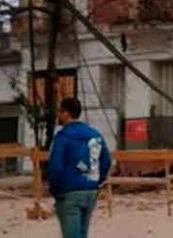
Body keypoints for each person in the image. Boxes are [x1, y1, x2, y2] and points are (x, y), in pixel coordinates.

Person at [47, 97, 111, 238]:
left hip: (69, 192)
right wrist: (97, 181)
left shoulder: (62, 137)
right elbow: (106, 161)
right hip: (90, 190)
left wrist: (54, 189)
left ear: (66, 113)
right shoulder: (95, 134)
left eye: (60, 111)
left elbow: (55, 167)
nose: (59, 115)